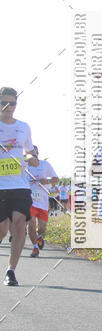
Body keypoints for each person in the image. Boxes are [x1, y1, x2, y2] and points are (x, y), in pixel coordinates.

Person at [0, 87, 39, 286]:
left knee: (19, 223)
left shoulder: (24, 127)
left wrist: (32, 158)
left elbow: (30, 151)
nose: (8, 107)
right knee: (2, 228)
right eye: (3, 103)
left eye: (12, 103)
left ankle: (11, 271)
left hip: (19, 184)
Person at [27, 146, 59, 257]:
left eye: (33, 151)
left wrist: (46, 180)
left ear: (37, 152)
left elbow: (56, 178)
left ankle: (39, 236)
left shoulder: (45, 165)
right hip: (29, 201)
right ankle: (35, 248)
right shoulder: (24, 166)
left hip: (42, 201)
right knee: (31, 224)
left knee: (42, 227)